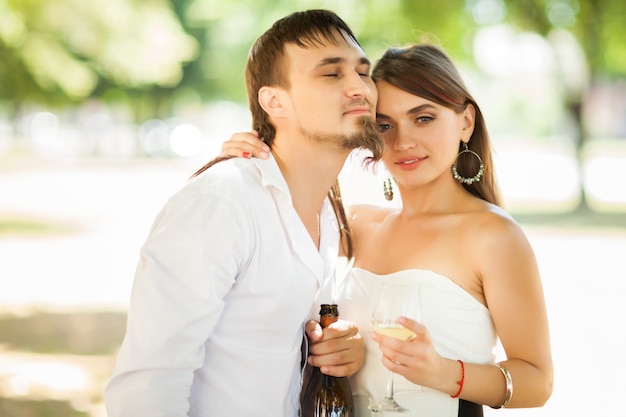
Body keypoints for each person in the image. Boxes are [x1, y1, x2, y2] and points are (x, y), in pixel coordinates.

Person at [220, 42, 554, 416]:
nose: (403, 141)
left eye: (423, 118)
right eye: (384, 125)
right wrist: (252, 161)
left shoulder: (493, 236)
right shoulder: (354, 224)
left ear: (466, 122)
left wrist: (447, 374)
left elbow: (537, 382)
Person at [103, 9, 385, 417]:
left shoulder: (327, 212)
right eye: (331, 74)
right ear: (274, 101)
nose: (359, 87)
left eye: (363, 71)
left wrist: (339, 348)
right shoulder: (221, 202)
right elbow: (147, 387)